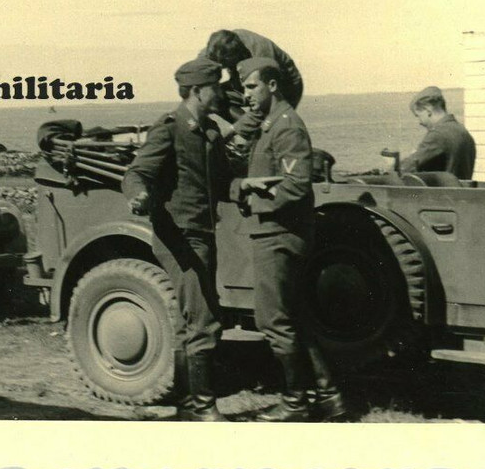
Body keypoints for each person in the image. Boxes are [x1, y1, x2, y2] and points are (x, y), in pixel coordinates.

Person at [234, 57, 347, 422]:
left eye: (251, 87)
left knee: (273, 321)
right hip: (278, 233)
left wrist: (252, 197)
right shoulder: (271, 124)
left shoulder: (286, 127)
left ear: (271, 86)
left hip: (278, 235)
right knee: (293, 317)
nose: (245, 94)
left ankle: (294, 402)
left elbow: (297, 185)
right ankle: (331, 398)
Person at [122, 57, 231, 421]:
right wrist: (137, 195)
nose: (221, 91)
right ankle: (203, 408)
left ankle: (186, 405)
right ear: (198, 91)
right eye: (215, 86)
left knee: (191, 321)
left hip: (202, 236)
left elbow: (222, 182)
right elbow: (138, 172)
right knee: (203, 320)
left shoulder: (210, 132)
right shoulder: (170, 129)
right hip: (179, 239)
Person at [201, 29, 305, 161]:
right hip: (243, 80)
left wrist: (232, 130)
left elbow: (264, 104)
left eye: (227, 66)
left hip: (285, 85)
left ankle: (260, 145)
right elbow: (196, 74)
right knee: (214, 97)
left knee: (269, 123)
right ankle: (251, 139)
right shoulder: (216, 48)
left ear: (237, 55)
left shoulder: (261, 53)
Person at [400, 86, 477, 180]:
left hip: (443, 194)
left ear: (428, 110)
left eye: (418, 116)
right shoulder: (461, 131)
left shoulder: (438, 135)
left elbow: (405, 168)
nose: (419, 122)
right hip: (459, 192)